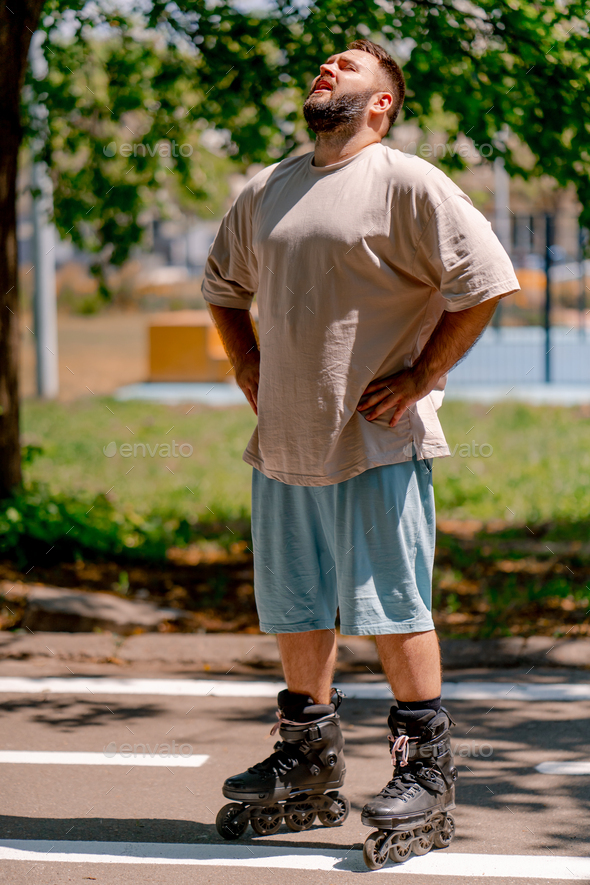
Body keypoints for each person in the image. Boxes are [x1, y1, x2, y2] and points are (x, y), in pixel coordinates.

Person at [202, 38, 520, 863]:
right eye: (324, 63)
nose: (327, 68)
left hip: (378, 438)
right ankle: (308, 758)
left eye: (349, 65)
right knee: (297, 603)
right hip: (282, 440)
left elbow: (486, 279)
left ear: (383, 102)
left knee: (394, 604)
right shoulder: (268, 187)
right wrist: (243, 359)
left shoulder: (408, 182)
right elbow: (222, 287)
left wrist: (423, 373)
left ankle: (427, 767)